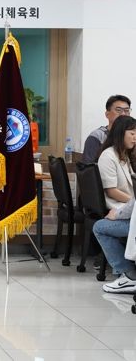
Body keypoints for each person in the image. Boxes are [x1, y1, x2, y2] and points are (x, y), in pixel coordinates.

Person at [92, 115, 136, 292]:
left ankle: (128, 275)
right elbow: (111, 191)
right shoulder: (110, 156)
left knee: (99, 227)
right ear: (120, 133)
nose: (135, 137)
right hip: (125, 209)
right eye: (132, 133)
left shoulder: (124, 155)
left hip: (128, 212)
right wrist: (132, 202)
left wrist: (131, 204)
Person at [82, 94, 131, 164]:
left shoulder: (132, 136)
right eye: (118, 110)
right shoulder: (97, 136)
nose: (123, 114)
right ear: (107, 114)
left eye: (126, 110)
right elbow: (88, 167)